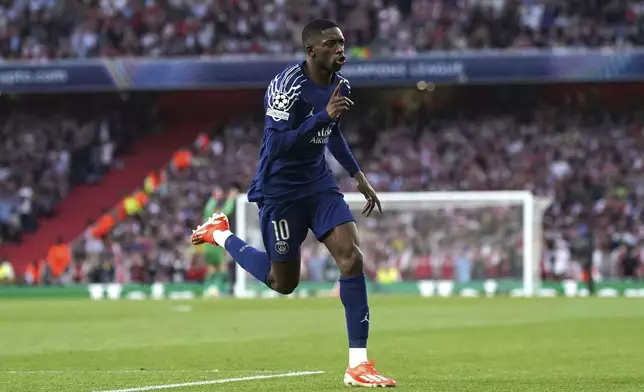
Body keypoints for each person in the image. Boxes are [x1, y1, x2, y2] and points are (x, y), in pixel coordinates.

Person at [191, 19, 396, 388]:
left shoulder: (340, 85)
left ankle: (358, 365)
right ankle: (220, 235)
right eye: (332, 44)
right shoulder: (285, 88)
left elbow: (329, 134)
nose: (341, 50)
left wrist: (357, 175)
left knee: (352, 258)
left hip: (318, 185)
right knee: (282, 282)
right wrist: (323, 117)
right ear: (311, 51)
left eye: (343, 43)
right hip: (280, 191)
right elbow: (278, 145)